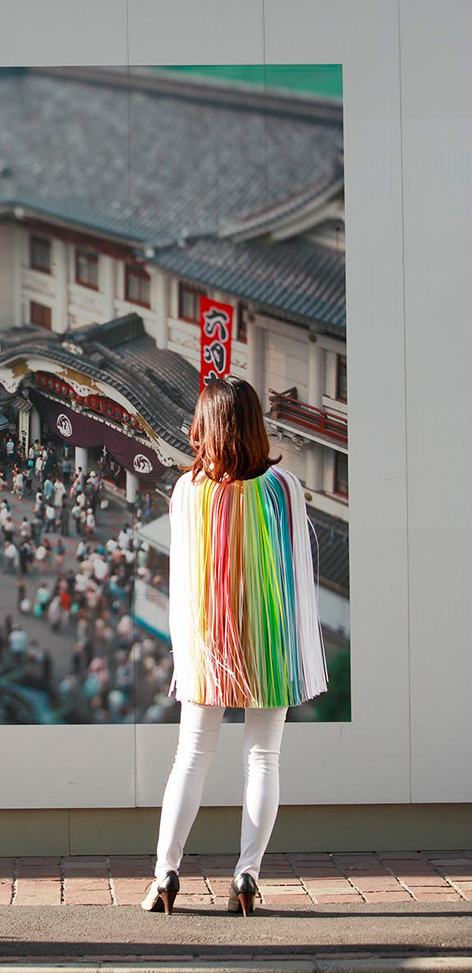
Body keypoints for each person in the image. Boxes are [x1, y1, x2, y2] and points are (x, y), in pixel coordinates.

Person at [141, 376, 327, 917]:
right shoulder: (284, 487)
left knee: (191, 758)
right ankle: (247, 876)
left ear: (206, 427)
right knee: (263, 758)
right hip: (270, 637)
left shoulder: (187, 490)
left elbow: (182, 579)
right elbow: (297, 572)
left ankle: (165, 875)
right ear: (252, 424)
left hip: (208, 639)